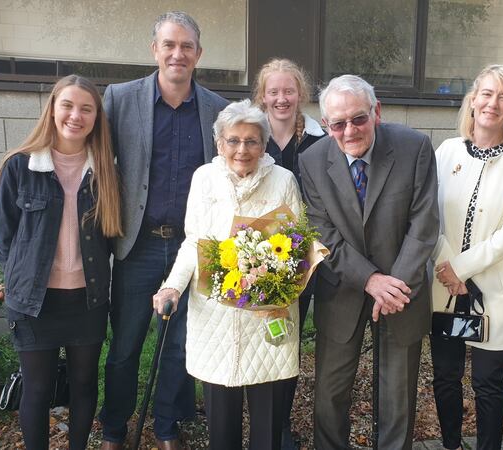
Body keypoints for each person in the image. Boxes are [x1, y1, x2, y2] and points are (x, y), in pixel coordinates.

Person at [97, 11, 228, 450]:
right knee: (126, 345)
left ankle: (167, 426)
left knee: (178, 346)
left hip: (193, 247)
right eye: (169, 45)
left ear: (198, 54)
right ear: (155, 49)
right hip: (138, 245)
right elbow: (99, 164)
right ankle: (115, 428)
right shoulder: (120, 99)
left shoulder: (217, 109)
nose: (177, 54)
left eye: (186, 46)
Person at [152, 99, 303, 450]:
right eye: (233, 140)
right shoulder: (204, 178)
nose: (242, 150)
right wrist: (172, 286)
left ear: (263, 145)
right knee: (221, 423)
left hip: (268, 312)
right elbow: (194, 241)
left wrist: (275, 285)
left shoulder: (283, 180)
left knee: (267, 421)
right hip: (216, 314)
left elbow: (297, 246)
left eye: (251, 141)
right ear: (219, 144)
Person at [299, 75, 439, 449]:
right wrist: (370, 279)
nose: (350, 131)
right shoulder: (311, 161)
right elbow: (321, 232)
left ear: (376, 112)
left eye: (358, 119)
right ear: (325, 125)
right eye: (338, 124)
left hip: (402, 289)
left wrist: (393, 286)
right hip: (342, 288)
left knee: (398, 397)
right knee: (330, 393)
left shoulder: (414, 147)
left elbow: (424, 224)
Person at [0, 74, 123, 450]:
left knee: (84, 384)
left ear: (96, 117)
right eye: (67, 105)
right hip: (35, 302)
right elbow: (6, 237)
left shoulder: (105, 172)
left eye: (86, 109)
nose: (75, 116)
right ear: (52, 109)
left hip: (87, 299)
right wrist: (19, 285)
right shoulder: (19, 166)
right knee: (37, 388)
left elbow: (111, 237)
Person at [430, 64, 503, 450]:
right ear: (473, 100)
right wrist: (448, 267)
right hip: (444, 288)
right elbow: (428, 215)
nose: (493, 103)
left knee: (488, 382)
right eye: (488, 94)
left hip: (494, 291)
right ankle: (451, 444)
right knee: (445, 376)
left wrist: (461, 268)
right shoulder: (446, 151)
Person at [251, 57, 325, 449]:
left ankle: (279, 424)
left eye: (289, 91)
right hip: (254, 258)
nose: (281, 98)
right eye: (274, 91)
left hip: (302, 261)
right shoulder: (251, 137)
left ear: (301, 94)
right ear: (262, 96)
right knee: (257, 339)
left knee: (287, 341)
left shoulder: (318, 140)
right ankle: (257, 424)